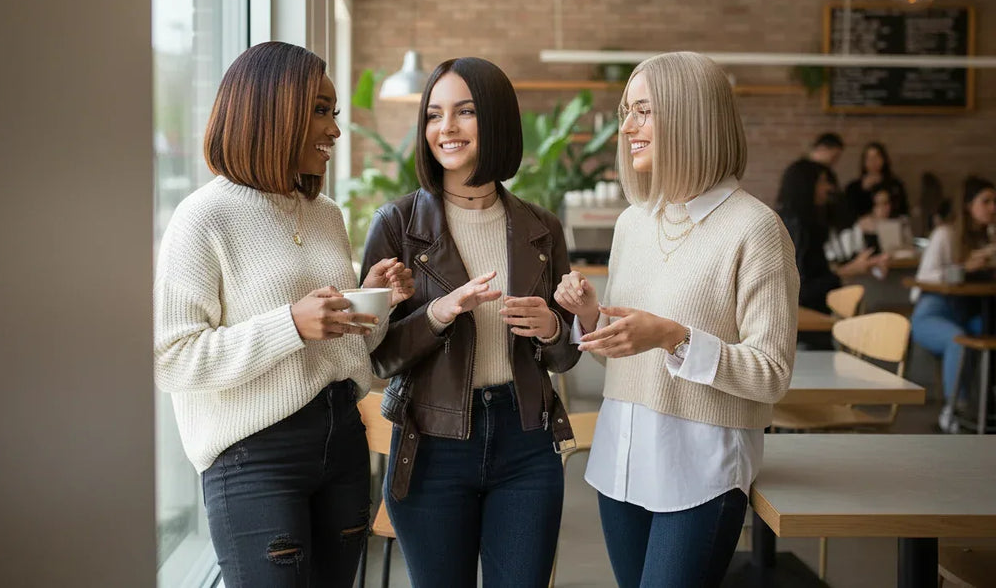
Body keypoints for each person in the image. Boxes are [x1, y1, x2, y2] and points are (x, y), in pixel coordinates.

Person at [153, 42, 414, 587]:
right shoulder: (202, 219)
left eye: (334, 112)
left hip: (342, 439)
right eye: (321, 110)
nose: (335, 131)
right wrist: (289, 325)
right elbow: (171, 359)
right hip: (255, 460)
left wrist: (373, 301)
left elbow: (345, 349)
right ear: (270, 110)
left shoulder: (326, 216)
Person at [554, 52, 798, 587]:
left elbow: (772, 373)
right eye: (626, 111)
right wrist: (588, 314)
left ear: (691, 116)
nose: (626, 127)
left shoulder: (756, 229)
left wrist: (673, 336)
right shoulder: (633, 223)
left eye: (643, 110)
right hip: (622, 455)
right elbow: (619, 340)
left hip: (701, 467)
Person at [361, 57, 581, 588]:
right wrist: (438, 312)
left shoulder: (541, 227)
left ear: (498, 122)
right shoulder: (397, 226)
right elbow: (374, 356)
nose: (447, 128)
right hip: (431, 444)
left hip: (526, 440)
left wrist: (551, 327)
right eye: (435, 115)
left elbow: (565, 355)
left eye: (465, 112)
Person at [910, 176, 996, 432]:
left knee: (987, 329)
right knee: (958, 339)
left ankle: (985, 405)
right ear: (968, 205)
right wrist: (963, 268)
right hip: (933, 312)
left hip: (969, 310)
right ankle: (953, 410)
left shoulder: (988, 238)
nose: (993, 207)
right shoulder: (945, 235)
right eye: (987, 201)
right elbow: (923, 278)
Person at [777, 159, 889, 316]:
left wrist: (858, 266)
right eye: (822, 182)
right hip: (808, 322)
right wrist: (848, 271)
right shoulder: (799, 227)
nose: (828, 188)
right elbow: (801, 289)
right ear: (806, 186)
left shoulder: (797, 221)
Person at [826, 184, 913, 263]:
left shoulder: (902, 221)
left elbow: (909, 247)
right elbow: (854, 251)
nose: (882, 208)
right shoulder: (862, 224)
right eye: (877, 204)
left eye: (885, 203)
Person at [844, 142, 909, 221]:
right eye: (869, 158)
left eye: (876, 157)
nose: (873, 161)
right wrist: (863, 190)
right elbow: (849, 213)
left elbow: (903, 211)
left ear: (884, 160)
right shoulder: (853, 187)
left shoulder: (895, 185)